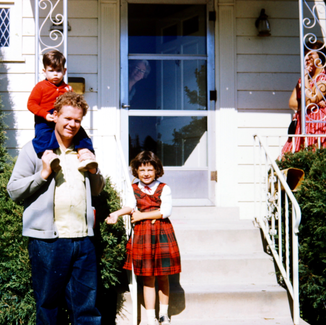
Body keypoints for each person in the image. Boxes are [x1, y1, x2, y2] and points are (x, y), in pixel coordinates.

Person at [7, 92, 104, 325]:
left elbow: (97, 190)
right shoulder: (35, 149)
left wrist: (94, 171)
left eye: (77, 120)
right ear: (56, 116)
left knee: (87, 310)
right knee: (48, 308)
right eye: (67, 118)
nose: (72, 124)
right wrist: (43, 174)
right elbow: (14, 190)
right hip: (49, 241)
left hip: (83, 239)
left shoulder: (84, 150)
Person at [105, 151, 181, 325]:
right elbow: (130, 206)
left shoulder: (164, 188)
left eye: (150, 170)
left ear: (156, 171)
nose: (146, 174)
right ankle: (150, 318)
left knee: (163, 276)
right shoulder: (134, 188)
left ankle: (164, 314)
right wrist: (116, 214)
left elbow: (165, 211)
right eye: (142, 170)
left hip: (161, 234)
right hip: (143, 237)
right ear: (136, 172)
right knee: (148, 278)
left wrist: (141, 216)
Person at [28, 50, 97, 172]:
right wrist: (45, 114)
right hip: (45, 118)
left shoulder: (67, 88)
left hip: (63, 118)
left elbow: (72, 103)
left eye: (58, 71)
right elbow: (31, 104)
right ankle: (49, 157)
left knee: (80, 133)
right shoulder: (41, 87)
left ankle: (85, 154)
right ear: (44, 71)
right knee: (43, 135)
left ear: (64, 71)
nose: (55, 74)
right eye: (51, 71)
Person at [282, 41, 326, 154]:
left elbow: (310, 100)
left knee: (314, 154)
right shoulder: (303, 79)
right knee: (293, 155)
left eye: (310, 54)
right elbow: (292, 103)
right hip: (302, 124)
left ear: (320, 57)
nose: (307, 58)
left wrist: (310, 101)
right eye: (305, 55)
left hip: (318, 125)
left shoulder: (323, 79)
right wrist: (311, 103)